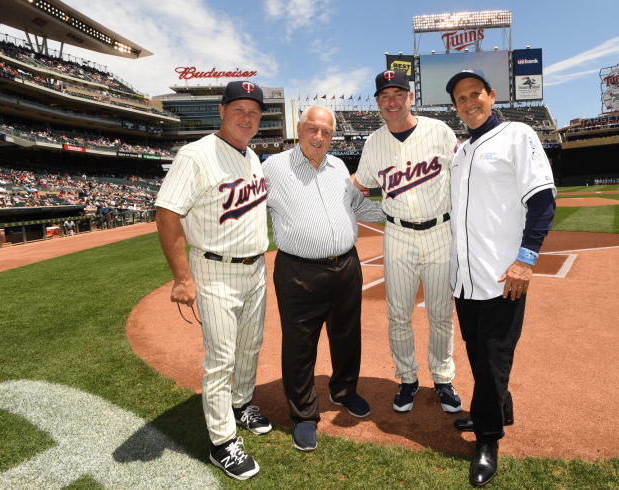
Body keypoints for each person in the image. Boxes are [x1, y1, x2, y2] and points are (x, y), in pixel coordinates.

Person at [155, 81, 272, 481]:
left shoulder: (252, 156)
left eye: (254, 112)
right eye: (239, 109)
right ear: (221, 111)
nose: (247, 117)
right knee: (220, 359)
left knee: (250, 345)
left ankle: (240, 405)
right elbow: (167, 213)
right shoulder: (196, 155)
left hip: (255, 267)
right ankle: (222, 443)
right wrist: (181, 278)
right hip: (215, 270)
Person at [445, 69, 556, 486]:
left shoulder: (517, 135)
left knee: (493, 357)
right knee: (477, 351)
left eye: (476, 94)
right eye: (460, 98)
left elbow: (543, 202)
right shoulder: (461, 151)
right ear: (454, 107)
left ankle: (488, 439)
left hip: (503, 276)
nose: (469, 102)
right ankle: (498, 406)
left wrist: (525, 260)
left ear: (492, 96)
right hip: (465, 279)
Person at [264, 106, 385, 452]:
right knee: (300, 344)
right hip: (299, 270)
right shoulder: (273, 167)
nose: (319, 137)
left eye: (326, 132)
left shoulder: (339, 167)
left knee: (347, 334)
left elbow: (358, 209)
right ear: (298, 129)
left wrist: (398, 208)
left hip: (345, 266)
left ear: (333, 136)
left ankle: (344, 390)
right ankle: (304, 415)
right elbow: (249, 208)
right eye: (312, 129)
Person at [351, 70, 461, 414]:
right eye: (384, 96)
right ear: (378, 103)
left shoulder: (439, 131)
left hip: (440, 232)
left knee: (441, 314)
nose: (392, 101)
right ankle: (407, 379)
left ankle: (443, 379)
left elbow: (465, 173)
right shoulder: (373, 143)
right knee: (398, 315)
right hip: (397, 234)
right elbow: (361, 182)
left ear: (410, 97)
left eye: (398, 94)